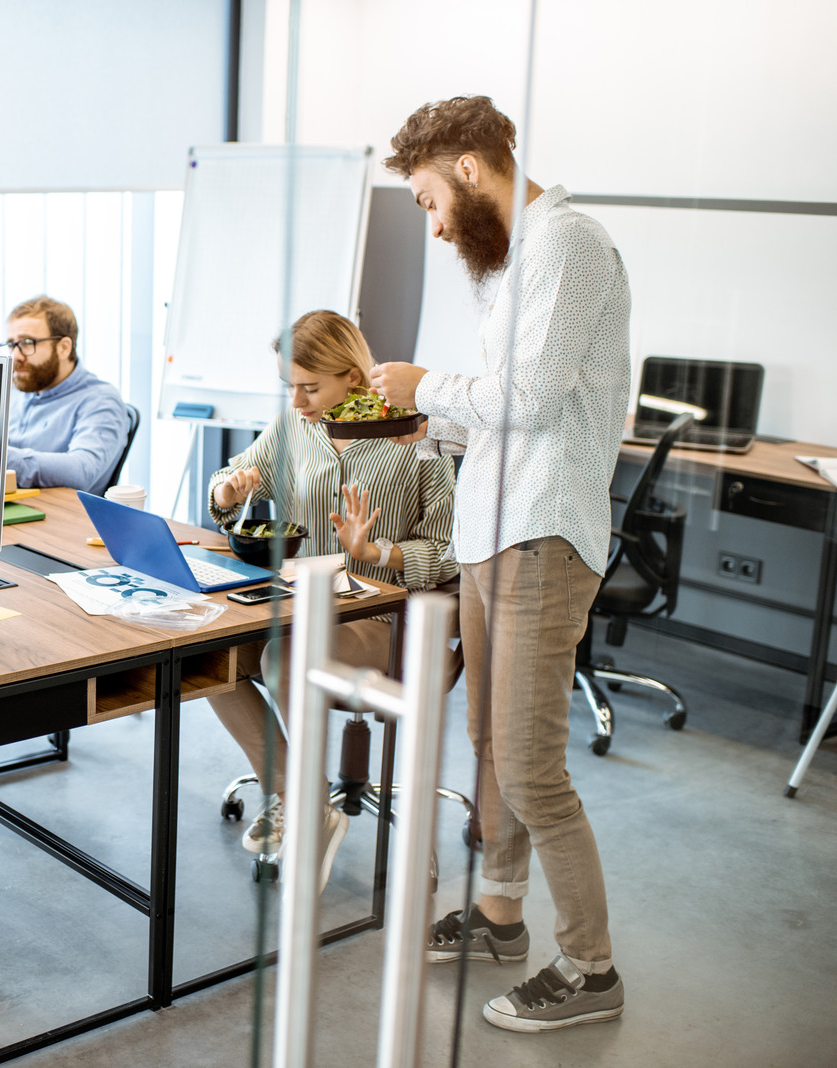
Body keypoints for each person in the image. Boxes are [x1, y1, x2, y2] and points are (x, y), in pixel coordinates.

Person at [372, 95, 631, 1032]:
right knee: (490, 745)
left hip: (542, 535)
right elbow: (493, 406)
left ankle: (592, 968)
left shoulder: (567, 244)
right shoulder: (511, 261)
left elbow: (531, 396)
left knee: (528, 767)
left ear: (472, 171)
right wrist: (419, 417)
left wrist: (421, 385)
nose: (435, 225)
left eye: (431, 200)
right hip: (489, 530)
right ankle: (501, 911)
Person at [203, 310, 457, 887]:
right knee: (201, 659)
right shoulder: (296, 425)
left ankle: (301, 805)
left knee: (283, 659)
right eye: (289, 386)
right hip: (300, 605)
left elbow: (447, 552)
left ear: (353, 376)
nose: (297, 401)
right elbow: (235, 477)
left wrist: (380, 554)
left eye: (310, 387)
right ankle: (301, 798)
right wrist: (230, 487)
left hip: (385, 615)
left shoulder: (415, 431)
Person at [1, 295, 131, 495]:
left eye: (27, 343)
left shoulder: (101, 400)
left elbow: (81, 470)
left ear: (63, 348)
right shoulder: (17, 387)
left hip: (58, 518)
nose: (15, 356)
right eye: (11, 345)